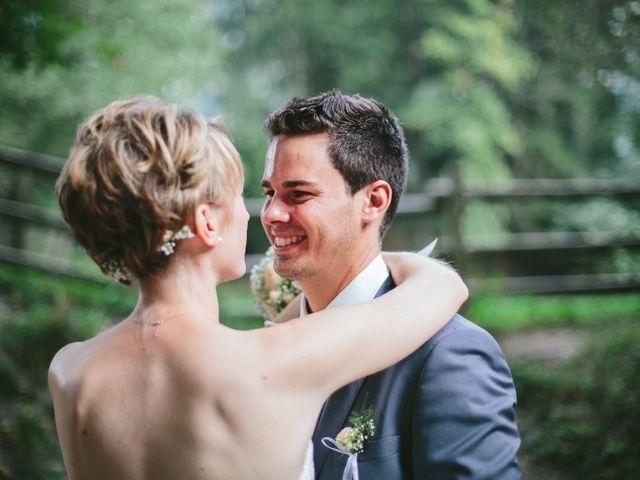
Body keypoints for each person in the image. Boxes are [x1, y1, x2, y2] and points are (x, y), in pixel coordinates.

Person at [47, 96, 468, 480]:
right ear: (207, 223)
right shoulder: (273, 362)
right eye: (241, 195)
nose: (262, 214)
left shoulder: (70, 372)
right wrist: (390, 257)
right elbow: (444, 287)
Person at [261, 90, 521, 479]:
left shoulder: (449, 355)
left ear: (373, 201)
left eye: (299, 193)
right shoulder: (264, 352)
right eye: (270, 193)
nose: (271, 214)